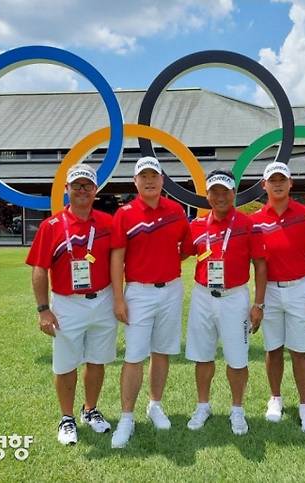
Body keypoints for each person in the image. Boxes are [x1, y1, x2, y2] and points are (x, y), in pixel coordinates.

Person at [26, 164, 117, 446]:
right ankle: (67, 418)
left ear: (95, 190)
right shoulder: (51, 226)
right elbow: (39, 269)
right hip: (67, 303)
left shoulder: (107, 223)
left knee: (97, 360)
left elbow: (120, 260)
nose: (82, 190)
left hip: (102, 299)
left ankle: (90, 410)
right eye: (76, 185)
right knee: (65, 364)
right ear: (67, 189)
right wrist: (43, 309)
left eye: (87, 185)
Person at [110, 156, 193, 449]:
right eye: (143, 176)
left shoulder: (176, 211)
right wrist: (119, 298)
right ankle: (127, 416)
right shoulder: (125, 214)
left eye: (154, 176)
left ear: (161, 181)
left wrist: (168, 263)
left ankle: (155, 404)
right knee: (134, 356)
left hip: (170, 289)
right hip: (138, 293)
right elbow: (117, 257)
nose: (149, 181)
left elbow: (186, 246)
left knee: (162, 351)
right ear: (135, 181)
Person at [185, 169, 267, 435]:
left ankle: (237, 410)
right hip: (202, 296)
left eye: (225, 191)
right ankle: (203, 406)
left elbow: (260, 265)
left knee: (237, 359)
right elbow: (179, 254)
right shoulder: (196, 226)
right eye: (214, 192)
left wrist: (259, 304)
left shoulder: (247, 224)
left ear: (234, 194)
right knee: (202, 355)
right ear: (207, 195)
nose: (220, 197)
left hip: (234, 297)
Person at [250, 162, 305, 433]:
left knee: (300, 351)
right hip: (269, 290)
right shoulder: (255, 220)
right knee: (273, 348)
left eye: (283, 179)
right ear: (264, 185)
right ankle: (275, 398)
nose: (278, 184)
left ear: (291, 183)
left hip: (299, 289)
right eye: (273, 180)